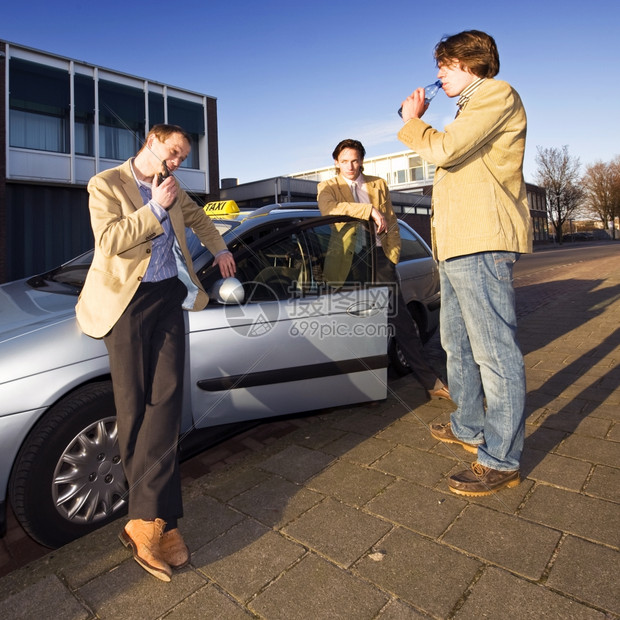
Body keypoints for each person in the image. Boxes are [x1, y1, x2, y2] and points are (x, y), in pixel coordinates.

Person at [75, 124, 236, 581]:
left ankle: (151, 519)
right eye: (172, 152)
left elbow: (201, 219)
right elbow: (108, 242)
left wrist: (220, 247)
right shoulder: (106, 184)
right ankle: (152, 519)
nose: (177, 162)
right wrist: (154, 207)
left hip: (167, 297)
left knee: (166, 406)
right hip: (127, 305)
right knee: (134, 409)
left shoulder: (174, 188)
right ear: (150, 143)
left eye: (183, 157)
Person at [398, 30, 533, 496]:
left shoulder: (495, 94)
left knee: (495, 353)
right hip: (456, 245)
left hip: (482, 241)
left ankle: (500, 458)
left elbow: (444, 150)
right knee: (456, 342)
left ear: (467, 62)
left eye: (444, 64)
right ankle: (470, 424)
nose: (438, 74)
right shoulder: (467, 106)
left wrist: (412, 121)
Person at [317, 138, 449, 400]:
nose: (350, 166)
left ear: (362, 160)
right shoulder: (327, 186)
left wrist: (393, 256)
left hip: (379, 258)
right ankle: (359, 387)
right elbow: (328, 209)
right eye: (344, 161)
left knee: (401, 321)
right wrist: (368, 210)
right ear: (336, 163)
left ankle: (431, 382)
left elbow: (391, 220)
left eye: (355, 160)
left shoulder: (378, 184)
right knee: (351, 325)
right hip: (348, 262)